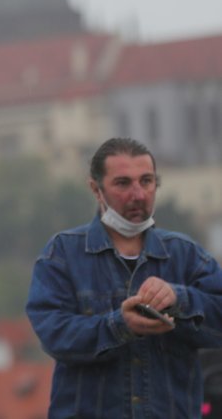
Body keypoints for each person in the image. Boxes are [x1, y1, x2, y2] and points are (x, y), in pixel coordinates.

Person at [27, 137, 222, 418]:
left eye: (146, 181)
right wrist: (119, 326)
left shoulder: (186, 254)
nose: (138, 194)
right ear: (96, 189)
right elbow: (53, 334)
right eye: (123, 183)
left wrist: (180, 298)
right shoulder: (62, 254)